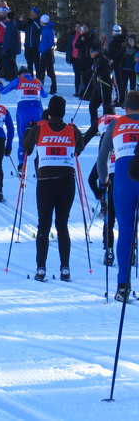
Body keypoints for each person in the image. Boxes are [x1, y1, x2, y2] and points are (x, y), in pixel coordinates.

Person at [23, 96, 83, 282]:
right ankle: (65, 268)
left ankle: (41, 268)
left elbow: (26, 148)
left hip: (46, 181)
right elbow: (79, 149)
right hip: (67, 182)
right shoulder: (72, 130)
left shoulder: (39, 128)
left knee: (44, 224)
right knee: (62, 224)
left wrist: (29, 131)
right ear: (63, 113)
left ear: (49, 112)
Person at [98, 93, 139, 298]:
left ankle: (123, 285)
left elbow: (102, 158)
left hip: (124, 179)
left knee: (126, 233)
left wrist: (104, 181)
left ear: (125, 108)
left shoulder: (115, 124)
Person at [85, 107, 118, 266]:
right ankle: (132, 251)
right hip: (125, 178)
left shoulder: (102, 122)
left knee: (109, 220)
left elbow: (91, 179)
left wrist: (99, 193)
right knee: (128, 219)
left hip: (109, 182)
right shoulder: (121, 126)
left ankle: (109, 252)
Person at [0, 66, 47, 169]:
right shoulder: (37, 81)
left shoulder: (18, 80)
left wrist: (0, 86)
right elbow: (45, 95)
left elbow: (3, 91)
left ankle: (21, 166)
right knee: (40, 137)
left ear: (20, 74)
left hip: (23, 111)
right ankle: (41, 164)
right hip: (37, 111)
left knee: (22, 137)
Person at [88, 45, 113, 126]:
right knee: (92, 106)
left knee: (106, 108)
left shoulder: (102, 58)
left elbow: (109, 69)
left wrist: (98, 70)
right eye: (90, 51)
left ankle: (107, 126)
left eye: (92, 51)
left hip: (104, 86)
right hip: (98, 88)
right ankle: (94, 126)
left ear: (97, 52)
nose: (90, 53)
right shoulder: (96, 59)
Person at [37, 14, 57, 95]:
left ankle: (53, 88)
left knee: (50, 71)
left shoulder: (48, 30)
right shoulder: (45, 28)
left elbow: (51, 42)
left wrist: (44, 48)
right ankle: (40, 86)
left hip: (48, 53)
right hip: (44, 52)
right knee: (41, 70)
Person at [18, 8, 42, 75]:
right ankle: (30, 78)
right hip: (27, 46)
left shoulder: (38, 21)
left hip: (35, 46)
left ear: (36, 14)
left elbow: (40, 29)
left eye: (33, 12)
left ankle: (39, 78)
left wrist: (33, 22)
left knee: (37, 64)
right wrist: (20, 21)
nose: (31, 14)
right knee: (29, 64)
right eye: (31, 12)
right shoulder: (28, 22)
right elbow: (20, 27)